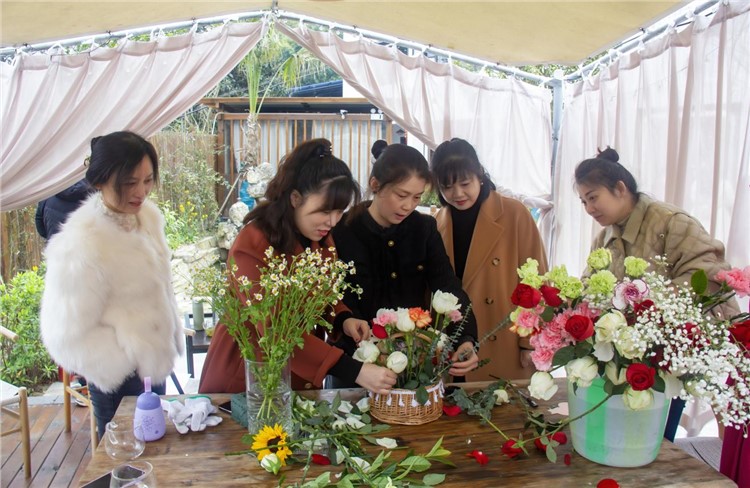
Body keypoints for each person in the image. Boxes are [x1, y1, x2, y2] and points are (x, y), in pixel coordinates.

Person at [199, 139, 397, 395]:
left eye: (339, 211)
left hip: (297, 373)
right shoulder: (254, 242)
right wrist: (353, 371)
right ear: (295, 198)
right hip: (248, 371)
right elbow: (274, 329)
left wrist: (343, 318)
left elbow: (323, 296)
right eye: (324, 211)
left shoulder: (321, 240)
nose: (332, 221)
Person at [574, 146, 739, 442]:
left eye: (593, 197)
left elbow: (708, 273)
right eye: (583, 201)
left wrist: (648, 308)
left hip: (691, 341)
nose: (588, 208)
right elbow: (592, 283)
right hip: (641, 349)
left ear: (620, 188)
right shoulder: (604, 237)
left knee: (727, 424)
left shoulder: (671, 221)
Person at [40, 131, 184, 439]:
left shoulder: (148, 219)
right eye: (130, 183)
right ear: (100, 180)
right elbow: (64, 333)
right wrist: (122, 363)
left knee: (158, 454)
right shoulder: (81, 243)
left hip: (155, 366)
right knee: (122, 458)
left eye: (148, 180)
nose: (141, 192)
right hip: (120, 378)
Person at [332, 142, 479, 381]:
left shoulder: (424, 228)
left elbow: (447, 287)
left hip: (414, 364)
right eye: (401, 195)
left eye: (417, 197)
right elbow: (332, 297)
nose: (408, 206)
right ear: (375, 185)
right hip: (357, 364)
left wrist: (465, 338)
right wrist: (346, 319)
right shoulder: (342, 230)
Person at [430, 138, 548, 381]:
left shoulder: (514, 214)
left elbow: (537, 282)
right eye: (447, 187)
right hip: (454, 341)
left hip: (503, 337)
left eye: (465, 183)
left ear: (480, 175)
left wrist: (530, 342)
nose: (457, 194)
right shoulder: (438, 222)